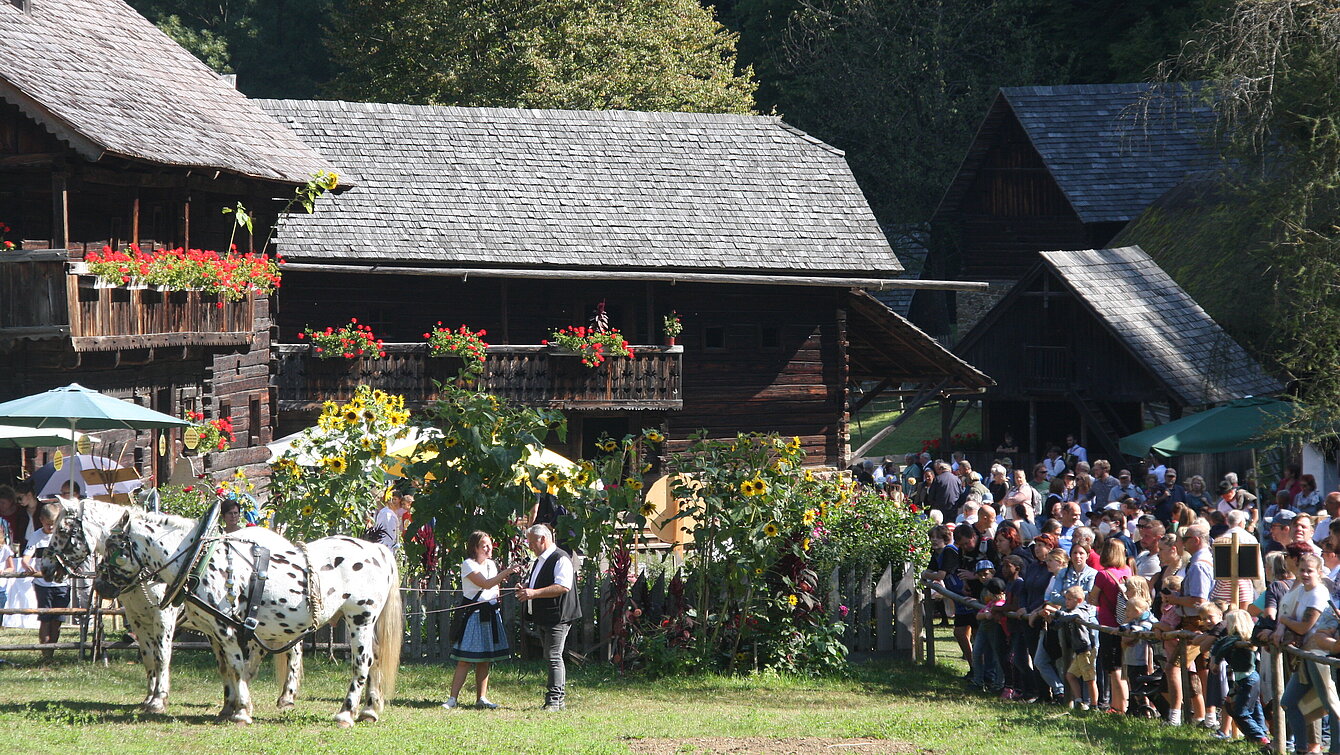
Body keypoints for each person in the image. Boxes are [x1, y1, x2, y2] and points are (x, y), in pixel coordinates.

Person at [444, 531, 523, 710]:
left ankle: (482, 698)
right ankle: (452, 699)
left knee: (485, 659)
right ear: (475, 548)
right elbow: (486, 584)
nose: (489, 549)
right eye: (484, 546)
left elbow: (494, 589)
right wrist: (507, 572)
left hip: (490, 613)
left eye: (490, 545)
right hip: (473, 614)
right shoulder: (468, 564)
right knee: (464, 659)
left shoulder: (492, 565)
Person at [515, 524, 580, 711]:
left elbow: (562, 587)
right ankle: (556, 699)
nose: (530, 546)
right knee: (550, 656)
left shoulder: (561, 558)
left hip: (558, 616)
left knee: (553, 656)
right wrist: (526, 588)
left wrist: (533, 593)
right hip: (545, 615)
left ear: (542, 539)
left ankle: (555, 700)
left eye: (531, 542)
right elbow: (538, 583)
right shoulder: (540, 560)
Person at [26, 503, 69, 663]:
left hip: (61, 584)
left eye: (54, 524)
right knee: (45, 619)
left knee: (57, 620)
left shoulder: (63, 536)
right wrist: (26, 564)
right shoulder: (37, 536)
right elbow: (26, 556)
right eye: (48, 524)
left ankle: (52, 650)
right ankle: (45, 654)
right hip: (43, 584)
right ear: (41, 520)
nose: (51, 527)